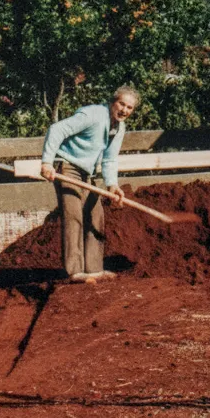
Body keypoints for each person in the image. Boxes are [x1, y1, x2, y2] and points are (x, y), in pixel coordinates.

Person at [39, 86, 139, 282]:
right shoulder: (93, 114)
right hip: (67, 166)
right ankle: (75, 271)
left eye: (129, 107)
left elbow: (110, 159)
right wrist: (47, 162)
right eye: (121, 104)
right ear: (112, 102)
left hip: (87, 173)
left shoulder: (119, 128)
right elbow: (57, 129)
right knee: (73, 214)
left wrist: (112, 185)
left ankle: (94, 269)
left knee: (96, 214)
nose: (124, 110)